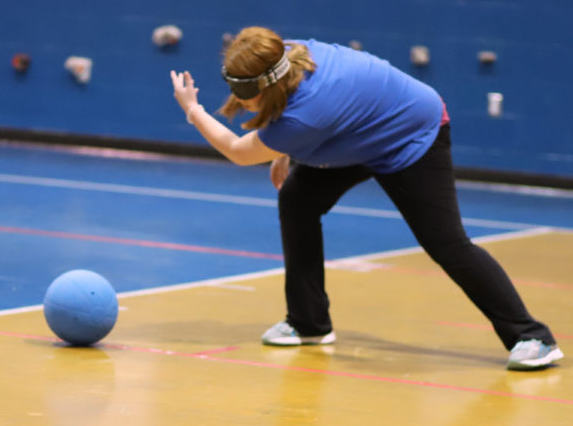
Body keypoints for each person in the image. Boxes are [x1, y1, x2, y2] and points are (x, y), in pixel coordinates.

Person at [170, 26, 561, 371]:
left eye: (244, 91)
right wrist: (284, 150)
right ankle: (308, 324)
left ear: (267, 84)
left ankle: (532, 337)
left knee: (446, 243)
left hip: (410, 134)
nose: (238, 97)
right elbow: (289, 108)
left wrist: (193, 110)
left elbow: (240, 151)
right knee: (298, 201)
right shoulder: (284, 52)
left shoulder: (307, 114)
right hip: (355, 131)